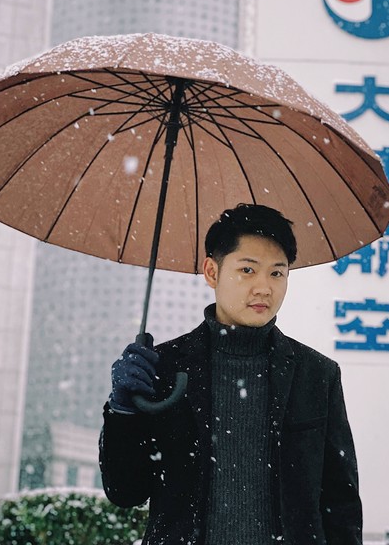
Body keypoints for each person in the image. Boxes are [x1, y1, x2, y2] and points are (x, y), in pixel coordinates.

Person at [99, 203, 362, 545]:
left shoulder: (316, 375)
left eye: (277, 273)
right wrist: (122, 412)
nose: (264, 288)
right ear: (212, 272)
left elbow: (341, 505)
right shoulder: (164, 368)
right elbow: (125, 490)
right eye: (247, 270)